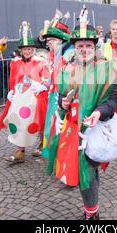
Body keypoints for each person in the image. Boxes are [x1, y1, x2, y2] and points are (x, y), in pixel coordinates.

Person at [46, 7, 117, 220]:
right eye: (80, 45)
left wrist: (98, 112)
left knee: (88, 170)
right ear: (75, 47)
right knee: (80, 170)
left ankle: (92, 214)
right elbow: (60, 97)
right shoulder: (67, 69)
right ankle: (92, 210)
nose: (85, 49)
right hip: (72, 127)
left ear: (94, 47)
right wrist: (62, 103)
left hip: (93, 128)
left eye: (89, 45)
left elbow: (113, 100)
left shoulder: (105, 69)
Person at [0, 21, 49, 163]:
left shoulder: (40, 62)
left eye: (29, 49)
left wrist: (43, 86)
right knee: (20, 121)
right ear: (21, 50)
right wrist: (11, 92)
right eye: (24, 49)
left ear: (33, 49)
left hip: (36, 97)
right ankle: (20, 150)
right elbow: (13, 80)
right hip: (21, 99)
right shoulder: (16, 63)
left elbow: (47, 78)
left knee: (39, 121)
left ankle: (42, 143)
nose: (27, 51)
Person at [40, 11, 74, 158]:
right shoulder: (56, 54)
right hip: (54, 94)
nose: (48, 44)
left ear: (60, 40)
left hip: (65, 97)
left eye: (51, 41)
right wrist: (46, 83)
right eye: (47, 42)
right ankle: (56, 154)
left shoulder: (69, 55)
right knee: (53, 126)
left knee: (62, 127)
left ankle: (63, 156)